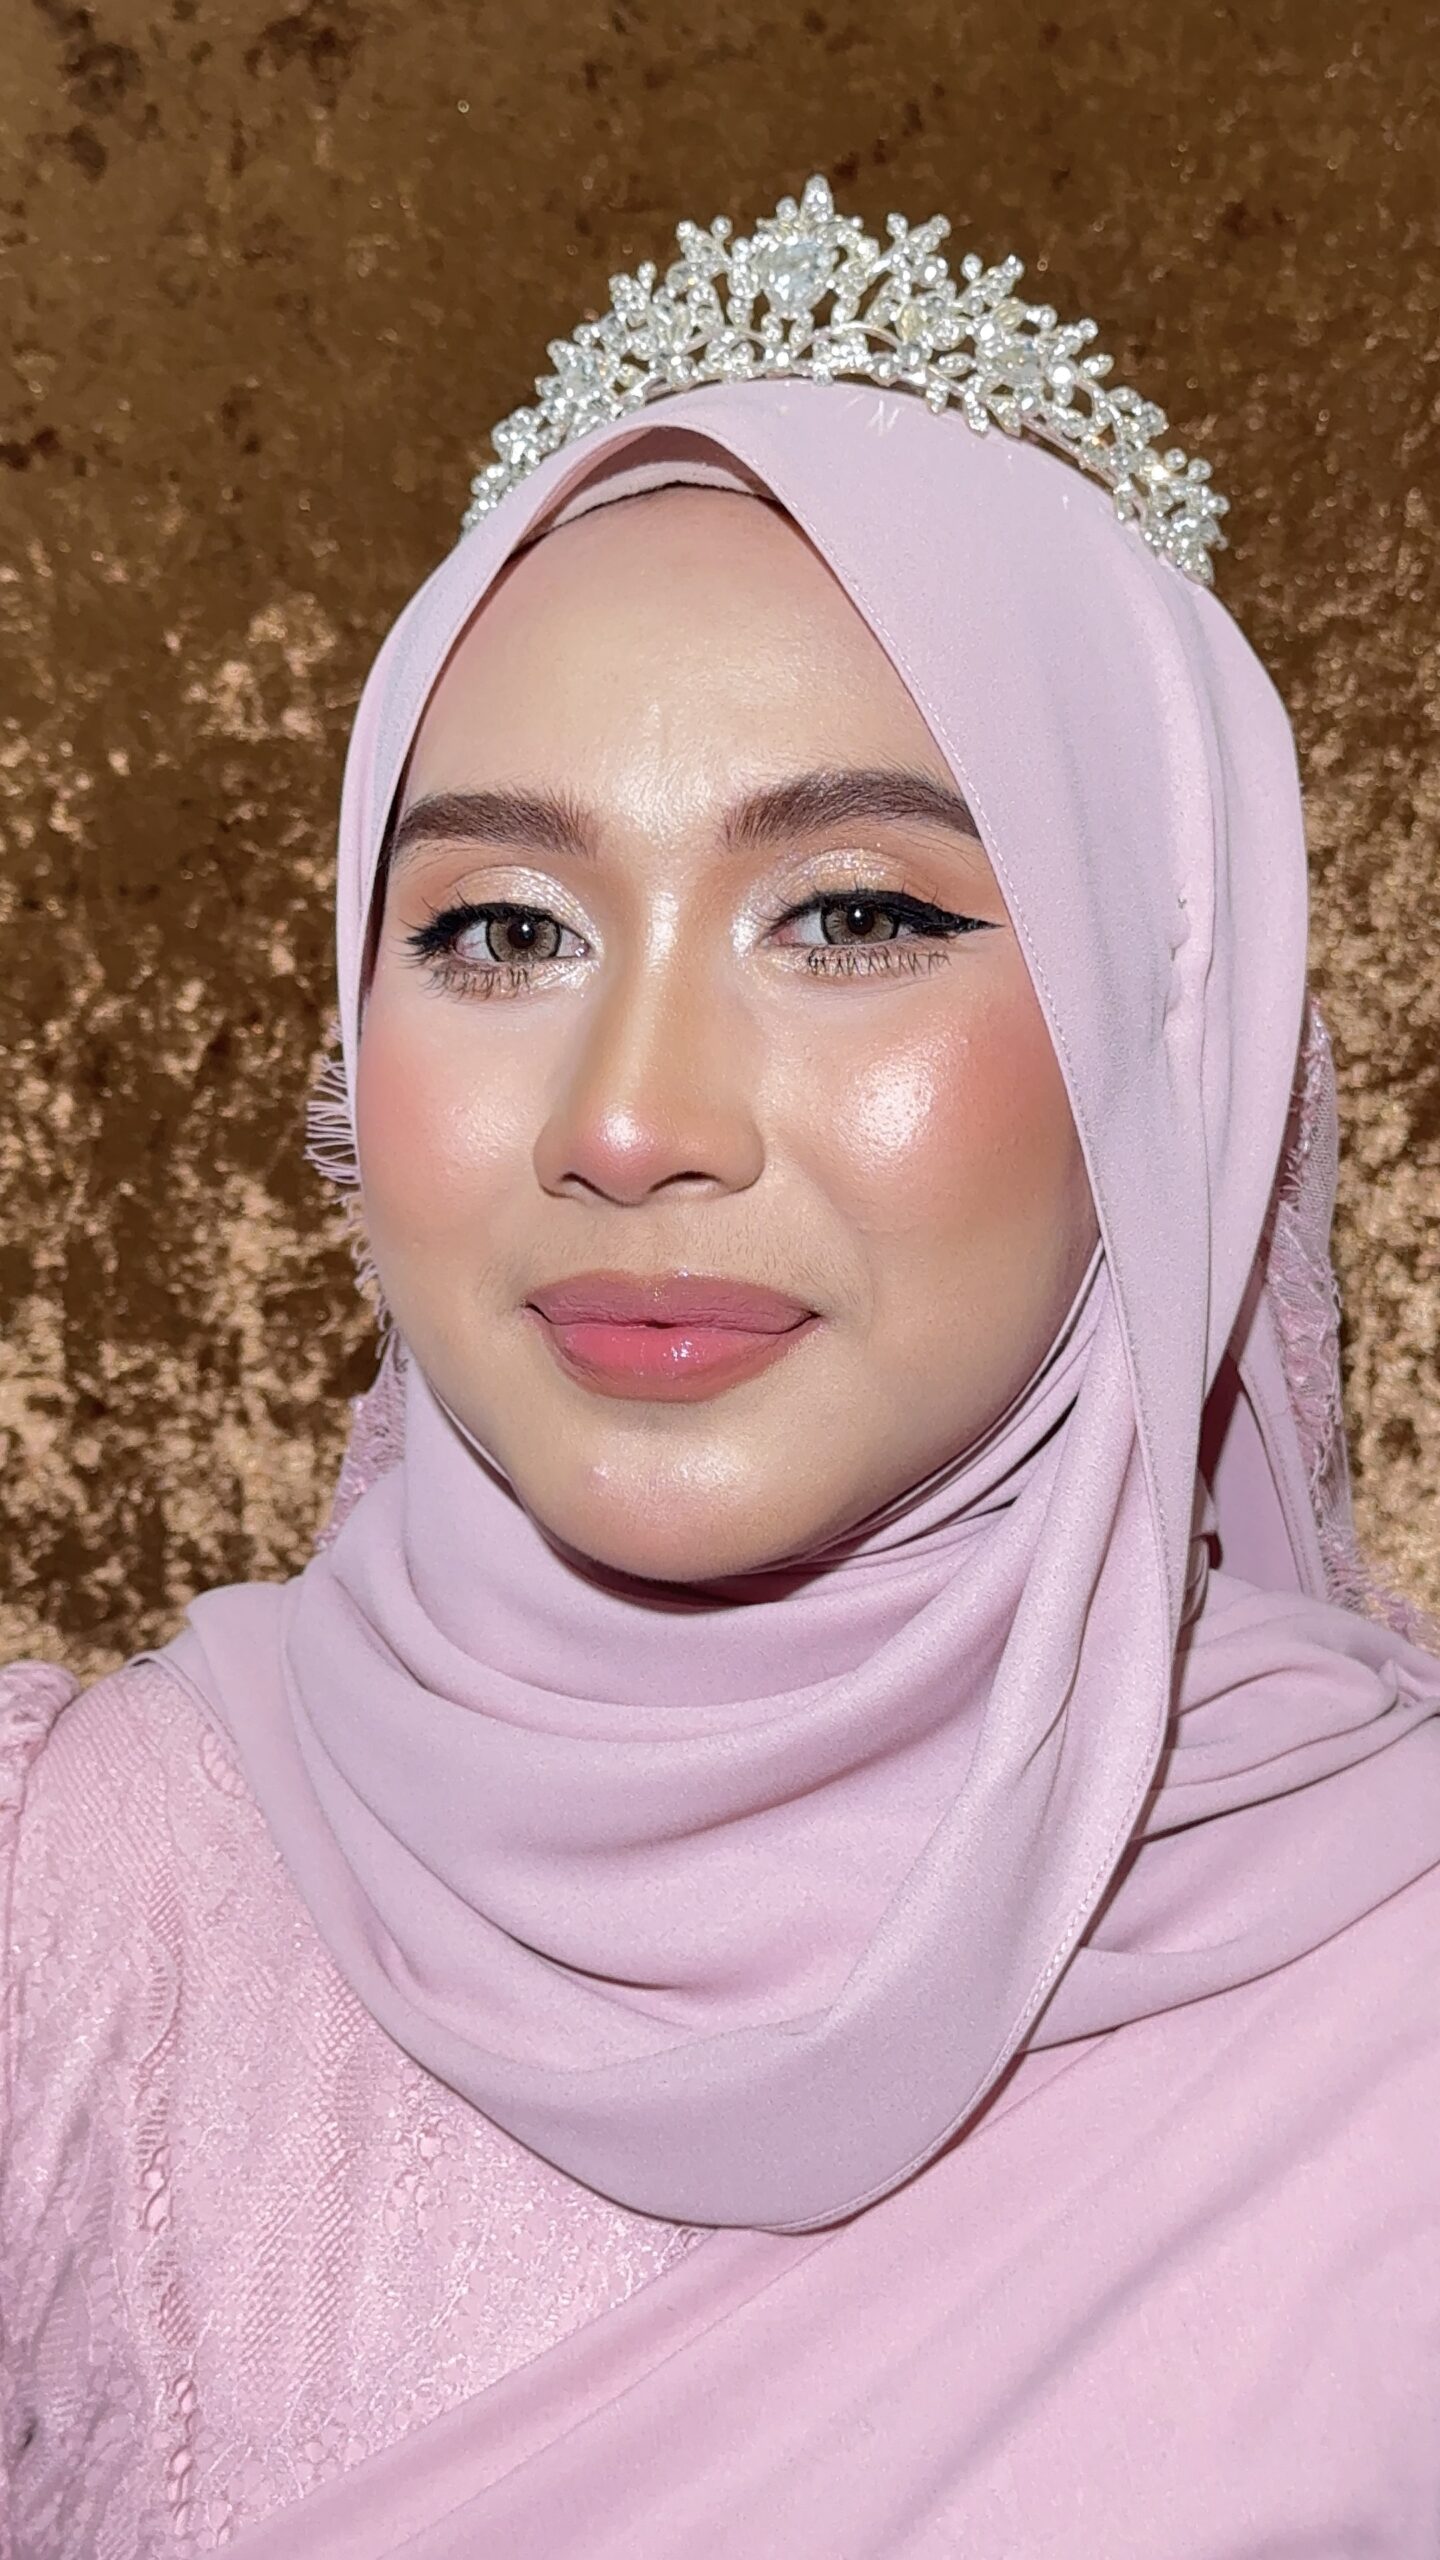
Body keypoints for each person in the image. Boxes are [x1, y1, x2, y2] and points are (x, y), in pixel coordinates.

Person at [3, 177, 1439, 2559]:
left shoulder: (1396, 2000)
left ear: (1159, 1029)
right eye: (500, 928)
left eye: (852, 914)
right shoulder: (70, 1915)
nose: (629, 1117)